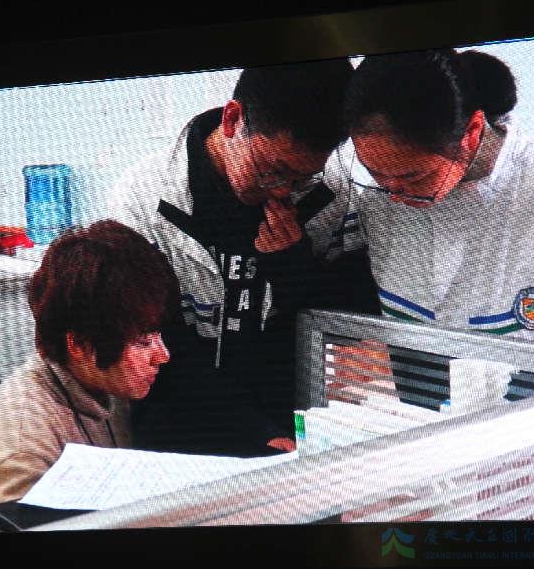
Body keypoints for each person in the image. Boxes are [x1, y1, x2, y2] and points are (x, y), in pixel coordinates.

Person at [108, 60, 379, 458]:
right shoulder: (143, 202)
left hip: (294, 429)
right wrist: (250, 434)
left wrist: (294, 269)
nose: (282, 190)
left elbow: (350, 321)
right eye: (272, 170)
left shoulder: (333, 195)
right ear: (233, 119)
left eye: (301, 178)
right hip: (183, 432)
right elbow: (159, 349)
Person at [340, 48, 534, 348]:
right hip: (417, 367)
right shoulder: (375, 196)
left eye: (413, 177)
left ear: (472, 132)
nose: (392, 195)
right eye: (375, 172)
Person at [0, 220, 179, 532]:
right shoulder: (22, 440)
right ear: (79, 344)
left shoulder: (104, 386)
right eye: (142, 341)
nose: (163, 355)